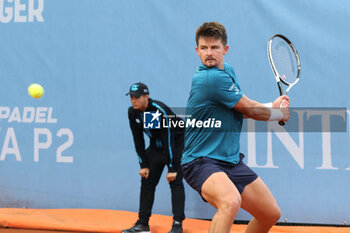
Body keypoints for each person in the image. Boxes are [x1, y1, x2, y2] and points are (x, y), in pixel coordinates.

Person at [181, 22, 290, 233]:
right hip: (200, 160)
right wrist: (277, 114)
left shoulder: (227, 71)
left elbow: (244, 105)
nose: (209, 53)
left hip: (229, 161)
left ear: (225, 49)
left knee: (270, 213)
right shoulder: (209, 78)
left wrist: (272, 106)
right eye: (203, 48)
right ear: (197, 51)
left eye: (214, 47)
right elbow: (250, 111)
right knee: (230, 201)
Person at [123, 82, 185, 233]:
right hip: (156, 146)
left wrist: (171, 167)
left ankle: (177, 224)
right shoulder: (133, 112)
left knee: (175, 181)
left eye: (137, 97)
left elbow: (168, 138)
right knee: (147, 180)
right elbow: (138, 139)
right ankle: (143, 224)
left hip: (175, 144)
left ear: (146, 96)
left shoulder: (158, 110)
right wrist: (143, 164)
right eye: (131, 97)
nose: (133, 100)